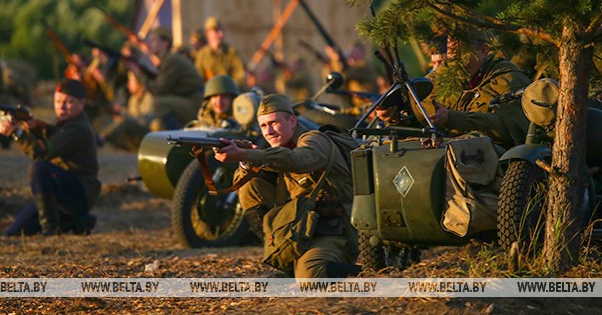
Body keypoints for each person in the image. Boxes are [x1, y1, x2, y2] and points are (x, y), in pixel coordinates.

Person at [213, 94, 359, 278]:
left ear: (292, 121)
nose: (269, 131)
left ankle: (372, 273)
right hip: (304, 226)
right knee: (251, 184)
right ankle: (284, 253)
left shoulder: (315, 140)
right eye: (264, 126)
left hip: (336, 228)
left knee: (312, 277)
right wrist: (245, 161)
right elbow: (241, 182)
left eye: (274, 123)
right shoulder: (280, 146)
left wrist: (245, 154)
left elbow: (297, 160)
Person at [376, 30, 531, 150]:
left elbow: (512, 130)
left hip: (493, 163)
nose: (453, 61)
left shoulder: (509, 79)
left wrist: (452, 118)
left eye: (461, 53)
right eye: (451, 54)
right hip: (442, 156)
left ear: (483, 50)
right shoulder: (440, 78)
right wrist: (394, 117)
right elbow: (417, 118)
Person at [2, 79, 100, 236]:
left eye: (69, 102)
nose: (61, 107)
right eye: (58, 101)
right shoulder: (65, 122)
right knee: (15, 233)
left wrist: (18, 134)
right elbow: (50, 139)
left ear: (82, 103)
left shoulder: (77, 128)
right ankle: (76, 221)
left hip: (79, 192)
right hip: (61, 190)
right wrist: (32, 127)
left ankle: (50, 228)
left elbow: (44, 153)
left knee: (40, 168)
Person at [123, 26, 205, 130]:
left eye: (154, 40)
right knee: (157, 124)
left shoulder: (172, 60)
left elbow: (158, 90)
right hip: (189, 101)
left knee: (159, 104)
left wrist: (137, 71)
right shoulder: (168, 60)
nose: (150, 43)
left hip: (194, 103)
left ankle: (179, 136)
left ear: (165, 43)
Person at [99, 72, 155, 152]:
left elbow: (145, 120)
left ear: (139, 83)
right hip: (135, 129)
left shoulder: (149, 98)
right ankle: (103, 137)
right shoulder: (133, 99)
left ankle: (102, 138)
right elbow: (132, 115)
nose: (128, 84)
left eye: (131, 81)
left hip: (146, 132)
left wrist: (125, 114)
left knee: (124, 122)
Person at [194, 17, 246, 91]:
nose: (220, 34)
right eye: (216, 31)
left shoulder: (232, 53)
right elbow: (198, 79)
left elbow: (240, 78)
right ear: (207, 33)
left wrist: (228, 87)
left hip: (230, 93)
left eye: (222, 30)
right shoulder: (202, 55)